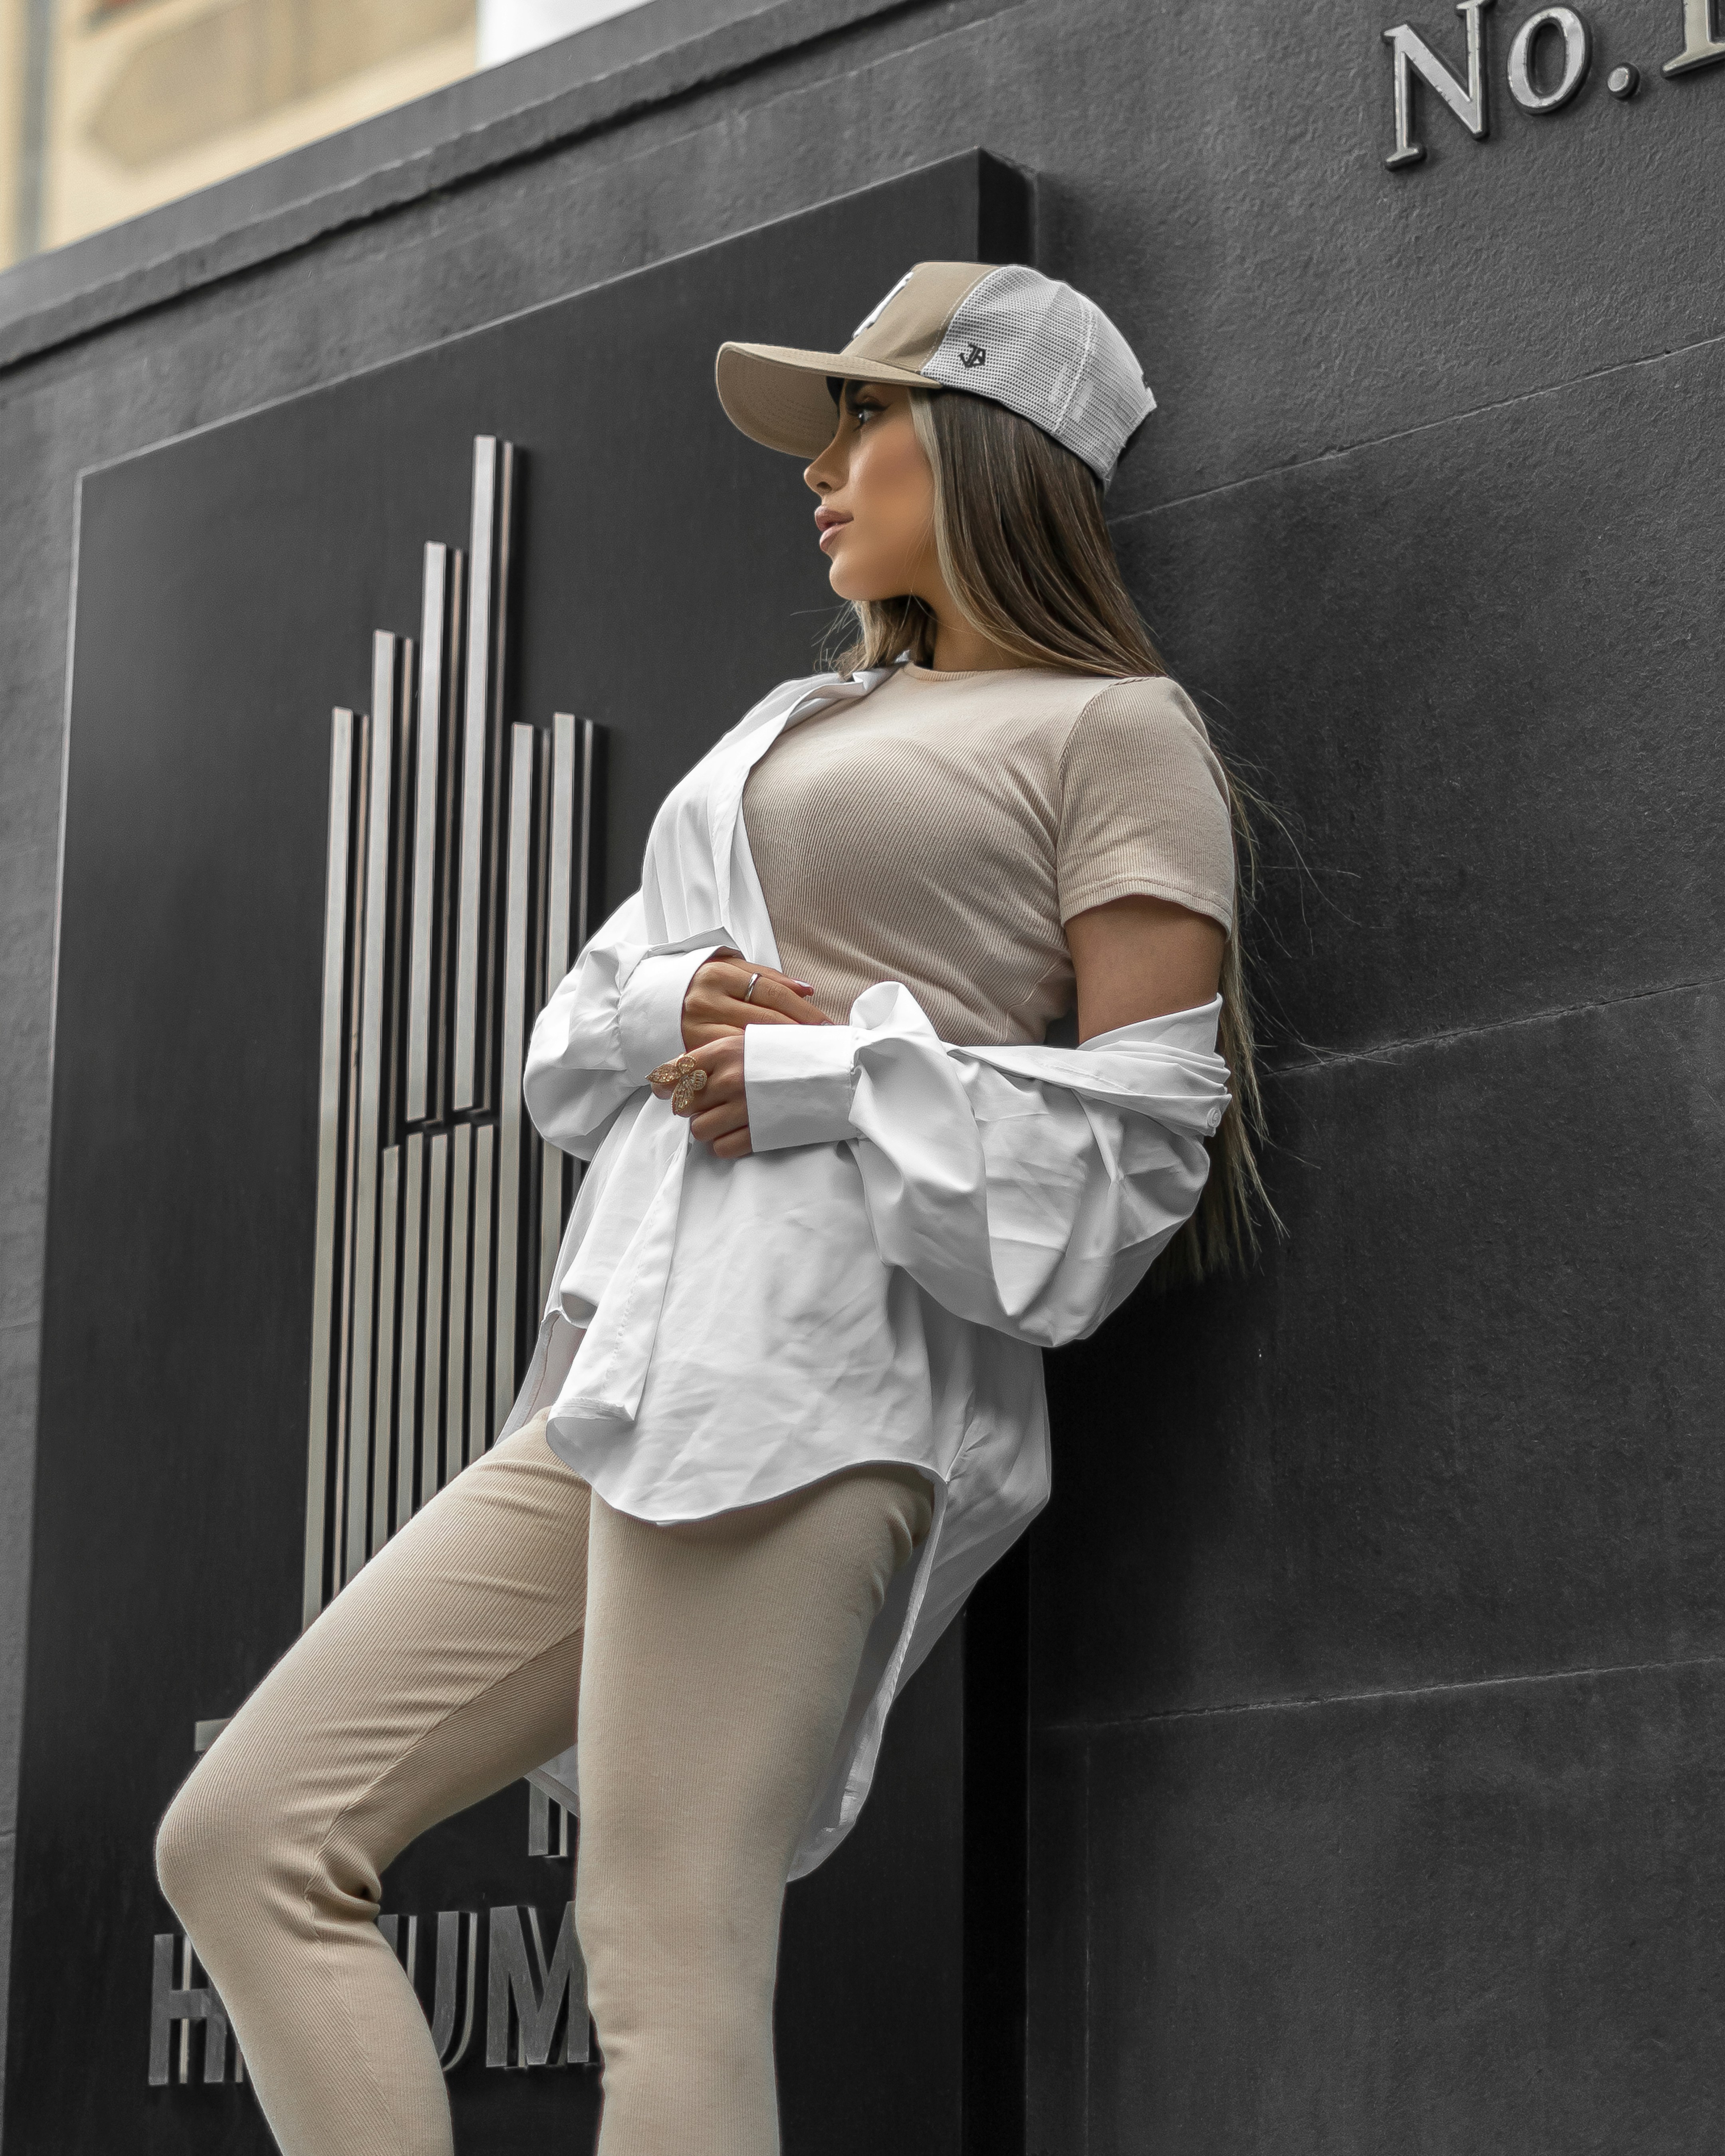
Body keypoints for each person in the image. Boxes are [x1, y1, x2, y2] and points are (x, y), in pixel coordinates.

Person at [155, 260, 1272, 2156]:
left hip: (814, 1388)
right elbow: (579, 1033)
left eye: (864, 417)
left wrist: (837, 1067)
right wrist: (678, 1002)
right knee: (248, 1836)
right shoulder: (796, 714)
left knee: (667, 1962)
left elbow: (1146, 1144)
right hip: (625, 1373)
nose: (819, 469)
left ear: (996, 440)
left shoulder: (1118, 734)